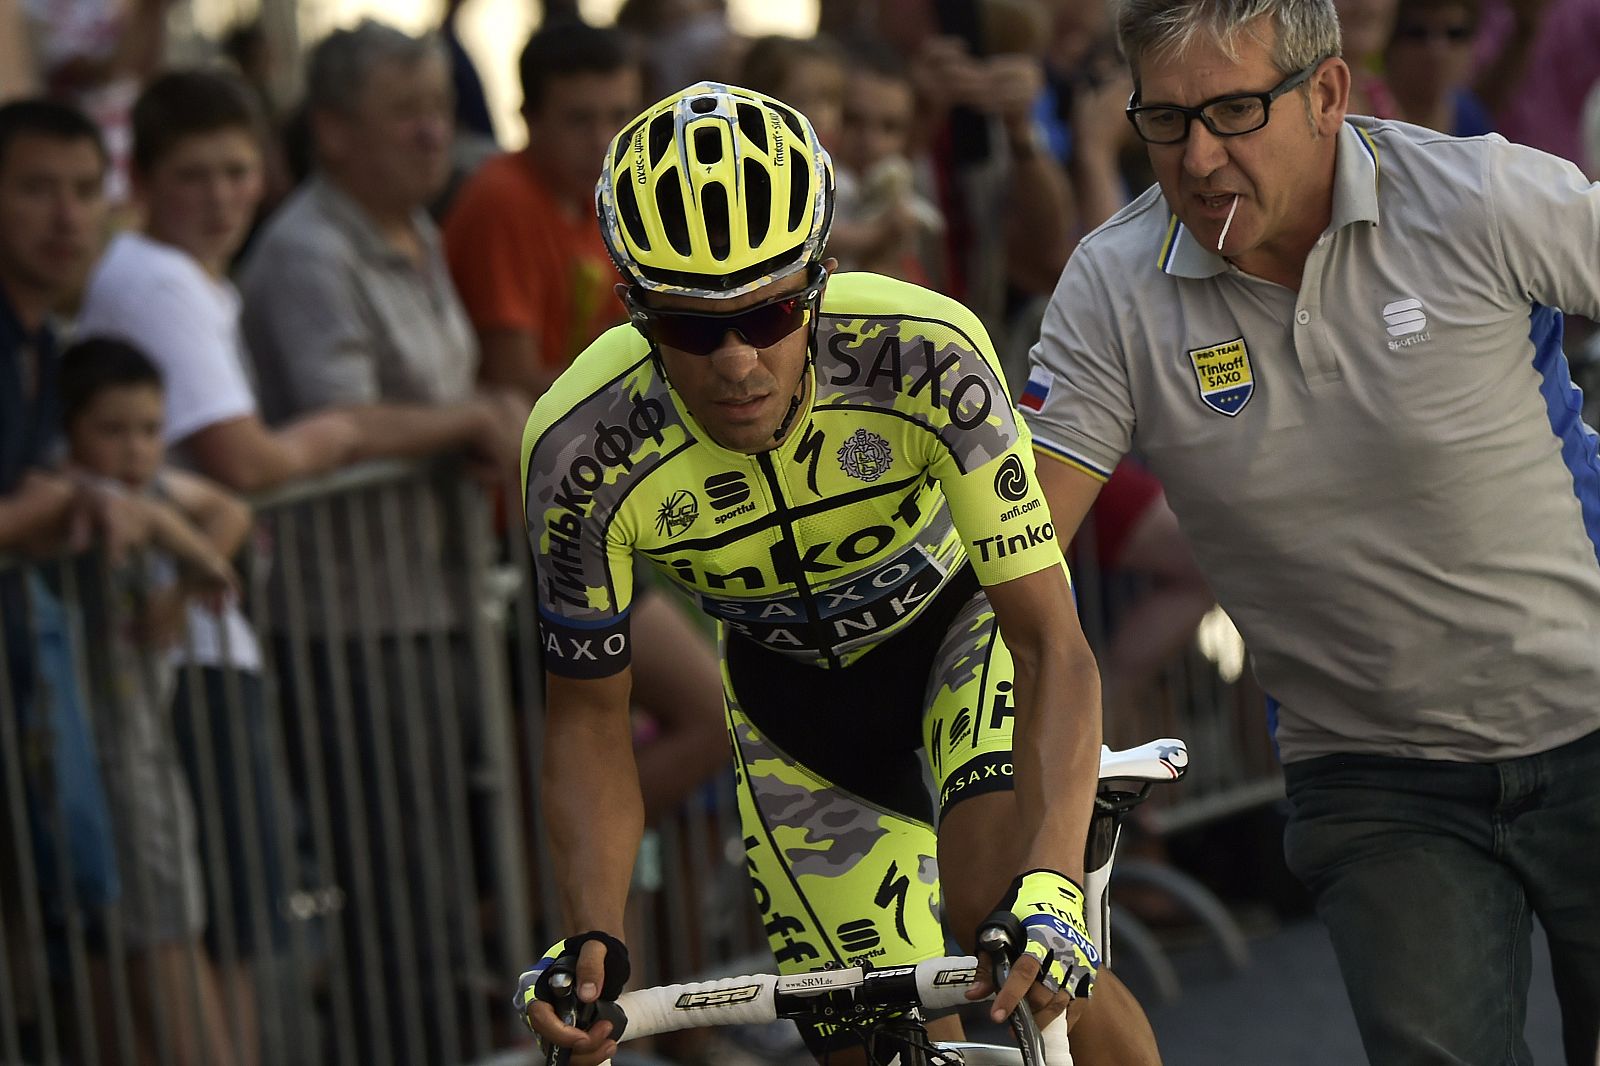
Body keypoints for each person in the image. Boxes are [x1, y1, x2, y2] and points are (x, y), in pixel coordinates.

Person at [514, 82, 1161, 1066]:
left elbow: (1048, 641)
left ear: (818, 281)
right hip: (791, 705)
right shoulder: (578, 450)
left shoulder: (922, 351)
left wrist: (1051, 884)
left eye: (770, 312)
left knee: (1003, 910)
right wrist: (594, 930)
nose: (737, 362)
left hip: (962, 634)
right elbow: (590, 719)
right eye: (692, 327)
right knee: (872, 1041)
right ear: (635, 312)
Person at [1022, 0, 1600, 1062]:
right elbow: (1014, 550)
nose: (1198, 158)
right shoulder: (1113, 285)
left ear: (1326, 93)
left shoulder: (1476, 194)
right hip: (1375, 772)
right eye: (1164, 120)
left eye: (1234, 112)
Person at [60, 336, 247, 1066]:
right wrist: (198, 561)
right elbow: (188, 527)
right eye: (112, 430)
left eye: (149, 429)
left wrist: (181, 588)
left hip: (142, 746)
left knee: (163, 918)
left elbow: (227, 509)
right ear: (69, 430)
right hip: (100, 755)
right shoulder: (73, 500)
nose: (136, 448)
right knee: (145, 929)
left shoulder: (151, 491)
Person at [1383, 0, 1494, 135]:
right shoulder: (1367, 110)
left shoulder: (1469, 116)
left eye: (1455, 33)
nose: (1437, 51)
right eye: (1417, 33)